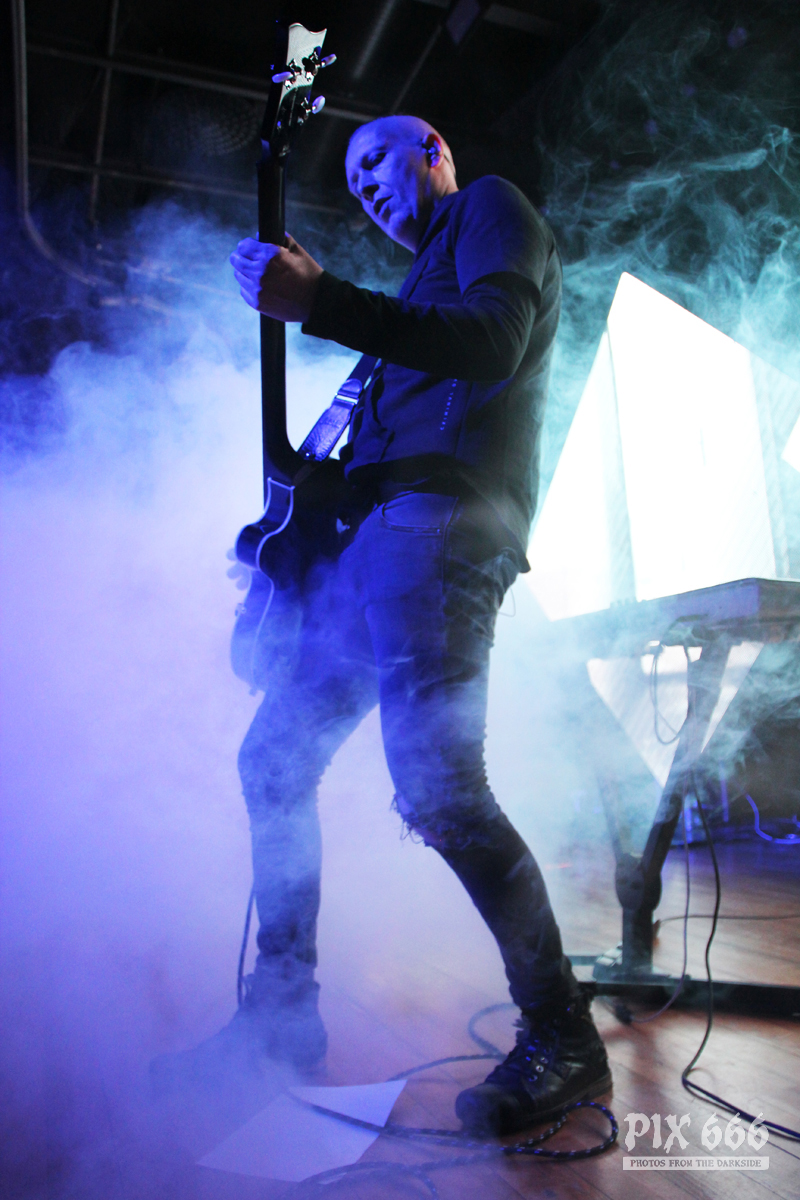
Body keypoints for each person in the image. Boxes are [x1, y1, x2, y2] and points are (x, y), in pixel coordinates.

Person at [173, 114, 610, 1135]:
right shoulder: (411, 299)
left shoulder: (489, 208)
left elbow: (494, 341)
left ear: (434, 151)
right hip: (374, 548)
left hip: (439, 529)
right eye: (352, 171)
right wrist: (280, 546)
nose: (365, 180)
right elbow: (343, 465)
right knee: (273, 759)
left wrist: (322, 301)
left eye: (379, 156)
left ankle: (563, 1033)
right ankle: (282, 1013)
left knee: (438, 788)